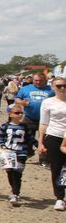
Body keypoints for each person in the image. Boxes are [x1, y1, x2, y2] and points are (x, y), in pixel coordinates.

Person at [37, 76, 66, 211]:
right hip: (54, 136)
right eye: (59, 86)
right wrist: (41, 143)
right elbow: (43, 123)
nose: (62, 88)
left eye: (64, 85)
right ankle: (59, 197)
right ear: (53, 87)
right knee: (57, 168)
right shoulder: (48, 102)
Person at [0, 104, 37, 206]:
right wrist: (2, 146)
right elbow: (1, 138)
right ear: (10, 114)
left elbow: (31, 138)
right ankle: (13, 189)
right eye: (17, 113)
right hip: (8, 152)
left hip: (21, 153)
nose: (20, 115)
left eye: (21, 113)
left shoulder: (25, 126)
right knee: (10, 172)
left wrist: (39, 146)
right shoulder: (5, 126)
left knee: (17, 173)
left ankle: (15, 194)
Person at [16, 73, 55, 164]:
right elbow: (17, 99)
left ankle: (43, 159)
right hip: (29, 118)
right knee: (27, 137)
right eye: (36, 80)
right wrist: (22, 102)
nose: (38, 82)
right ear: (32, 80)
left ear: (45, 80)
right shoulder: (25, 89)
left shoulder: (51, 90)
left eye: (40, 81)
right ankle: (29, 151)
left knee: (45, 140)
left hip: (46, 119)